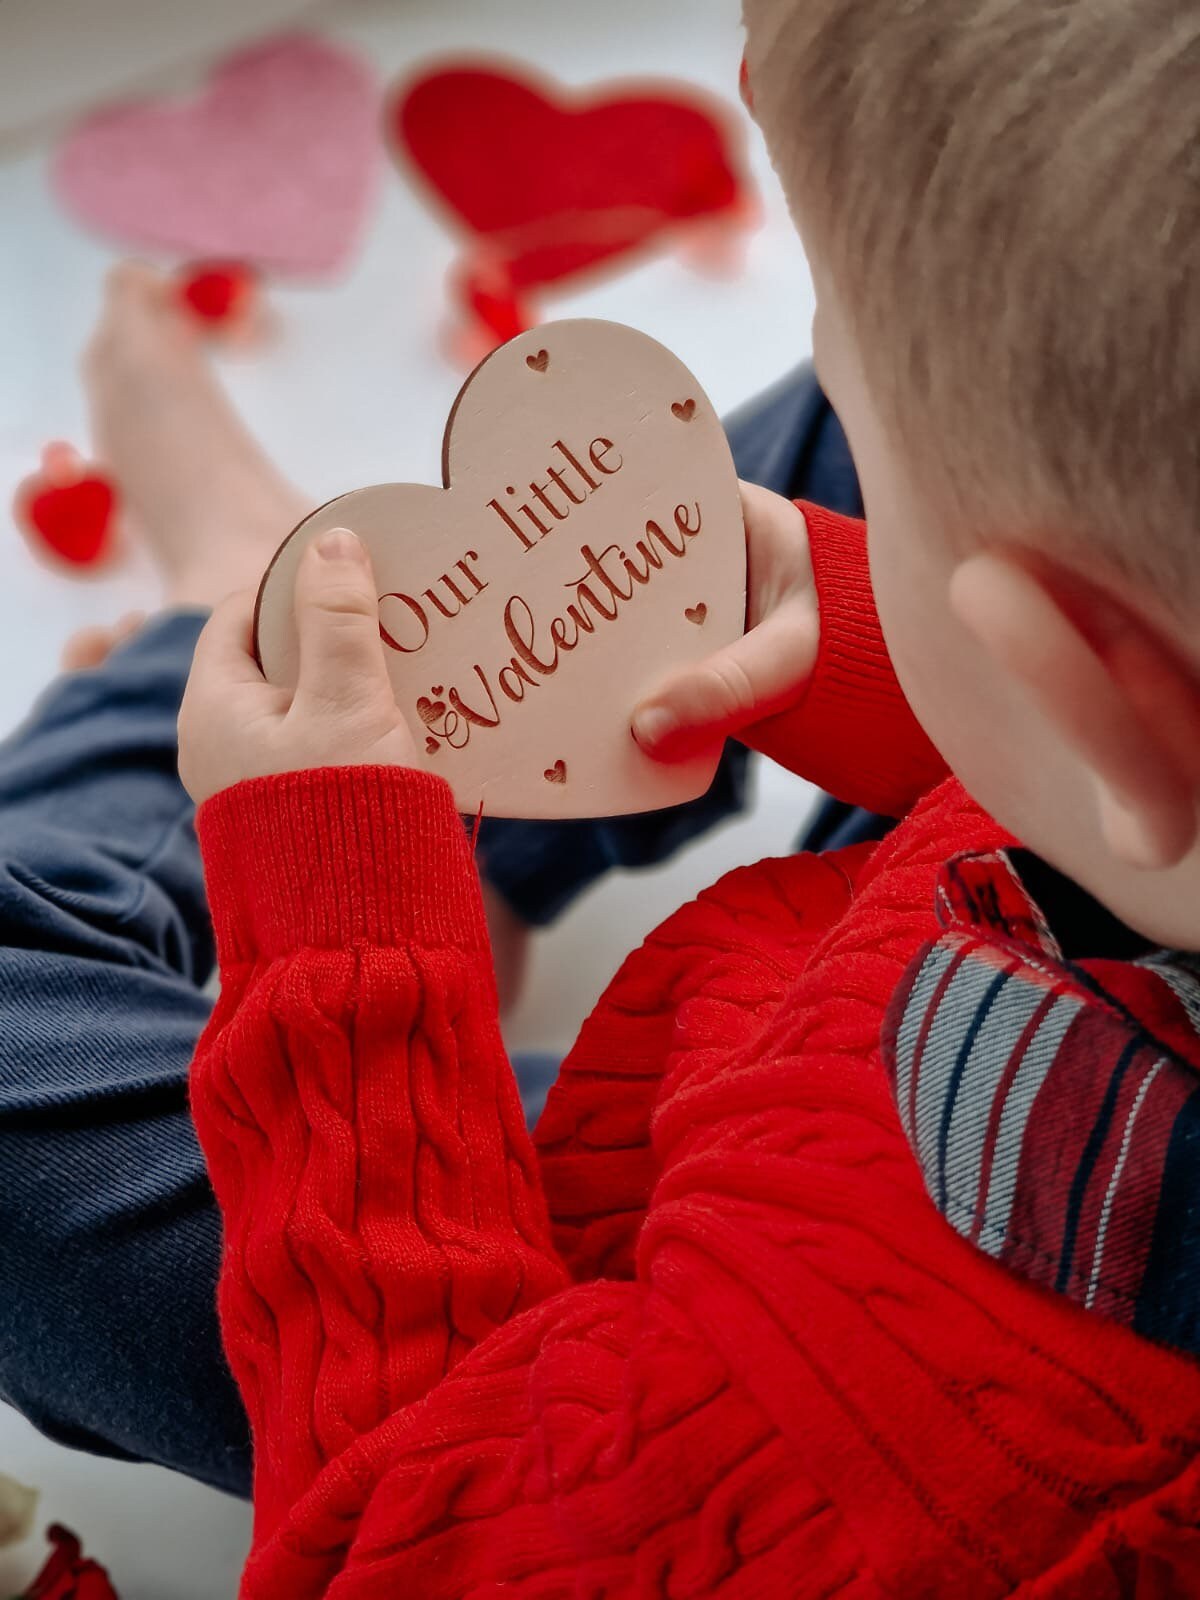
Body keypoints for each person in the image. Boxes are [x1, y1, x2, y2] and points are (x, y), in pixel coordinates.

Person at [176, 0, 1200, 1592]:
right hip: (898, 968)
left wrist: (342, 954)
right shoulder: (1145, 782)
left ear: (1091, 687)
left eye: (856, 430)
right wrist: (870, 636)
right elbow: (1130, 809)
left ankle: (224, 597)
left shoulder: (861, 1449)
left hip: (624, 1333)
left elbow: (400, 1549)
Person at [0, 271, 862, 1493]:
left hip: (694, 1263)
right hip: (962, 959)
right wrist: (870, 630)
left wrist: (348, 894)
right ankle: (477, 794)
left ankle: (245, 631)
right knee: (937, 382)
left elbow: (441, 1503)